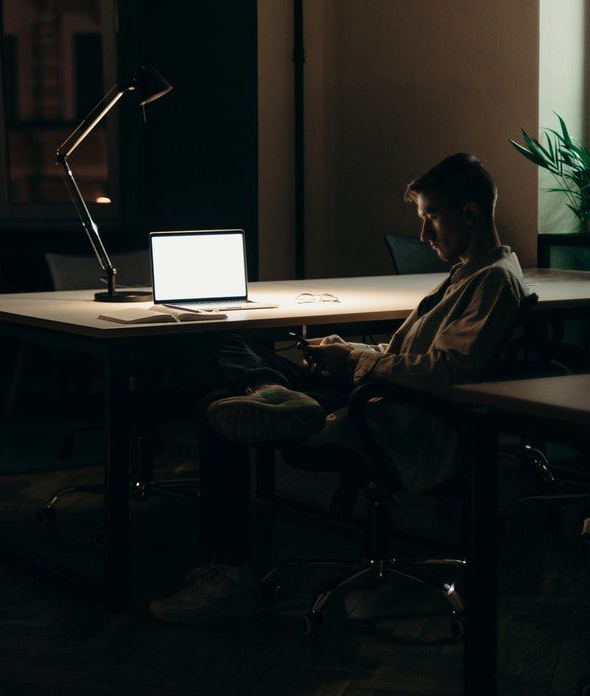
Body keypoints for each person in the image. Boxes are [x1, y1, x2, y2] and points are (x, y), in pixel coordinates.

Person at [150, 153, 528, 624]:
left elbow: (444, 372)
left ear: (469, 212)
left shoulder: (493, 282)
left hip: (390, 418)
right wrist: (345, 347)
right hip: (380, 394)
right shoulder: (471, 273)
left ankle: (229, 569)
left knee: (215, 407)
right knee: (221, 335)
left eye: (431, 217)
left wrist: (355, 361)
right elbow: (413, 352)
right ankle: (268, 386)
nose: (424, 234)